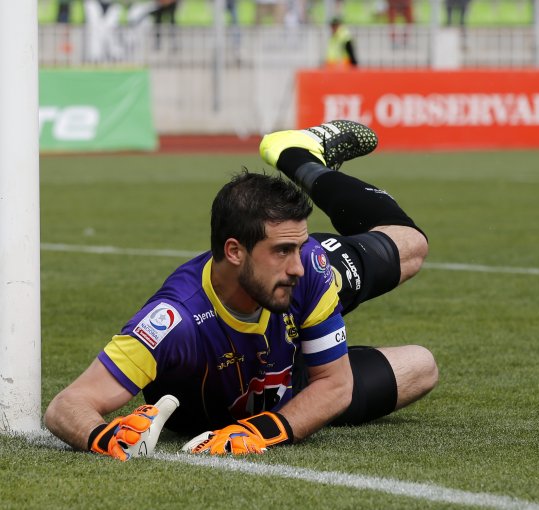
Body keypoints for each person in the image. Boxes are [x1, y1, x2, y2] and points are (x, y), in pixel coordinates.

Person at [44, 120, 437, 459]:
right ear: (234, 251)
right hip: (274, 380)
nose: (296, 265)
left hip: (282, 368)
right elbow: (67, 406)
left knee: (411, 249)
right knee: (419, 364)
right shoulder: (175, 320)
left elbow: (335, 384)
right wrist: (104, 437)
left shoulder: (308, 270)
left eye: (298, 247)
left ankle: (298, 155)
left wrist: (261, 432)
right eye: (283, 250)